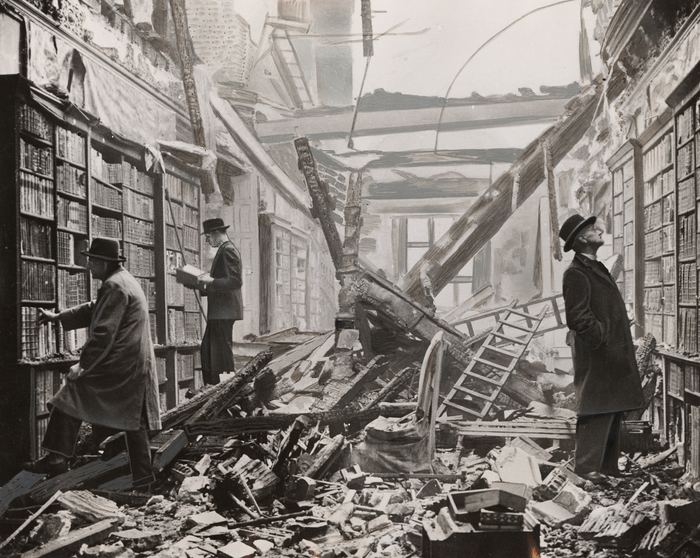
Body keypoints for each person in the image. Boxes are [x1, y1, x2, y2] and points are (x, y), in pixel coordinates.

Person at [23, 238, 161, 488]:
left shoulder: (114, 286)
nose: (88, 266)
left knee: (70, 394)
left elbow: (103, 333)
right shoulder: (121, 280)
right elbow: (95, 309)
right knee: (134, 419)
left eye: (91, 261)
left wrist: (83, 365)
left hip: (122, 365)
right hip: (133, 364)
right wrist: (58, 316)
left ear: (102, 263)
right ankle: (144, 480)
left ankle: (56, 460)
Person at [559, 214, 644, 484]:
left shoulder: (594, 266)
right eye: (592, 229)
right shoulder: (576, 272)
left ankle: (607, 468)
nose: (598, 230)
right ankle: (585, 469)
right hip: (599, 354)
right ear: (582, 238)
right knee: (596, 409)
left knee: (612, 407)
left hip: (611, 351)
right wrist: (602, 337)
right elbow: (577, 317)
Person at [192, 218, 243, 385]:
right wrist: (198, 284)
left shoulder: (228, 250)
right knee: (210, 353)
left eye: (208, 236)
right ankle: (217, 387)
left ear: (215, 233)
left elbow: (235, 281)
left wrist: (210, 281)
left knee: (219, 356)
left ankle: (224, 388)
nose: (207, 240)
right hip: (221, 311)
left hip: (224, 312)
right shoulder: (224, 249)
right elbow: (221, 283)